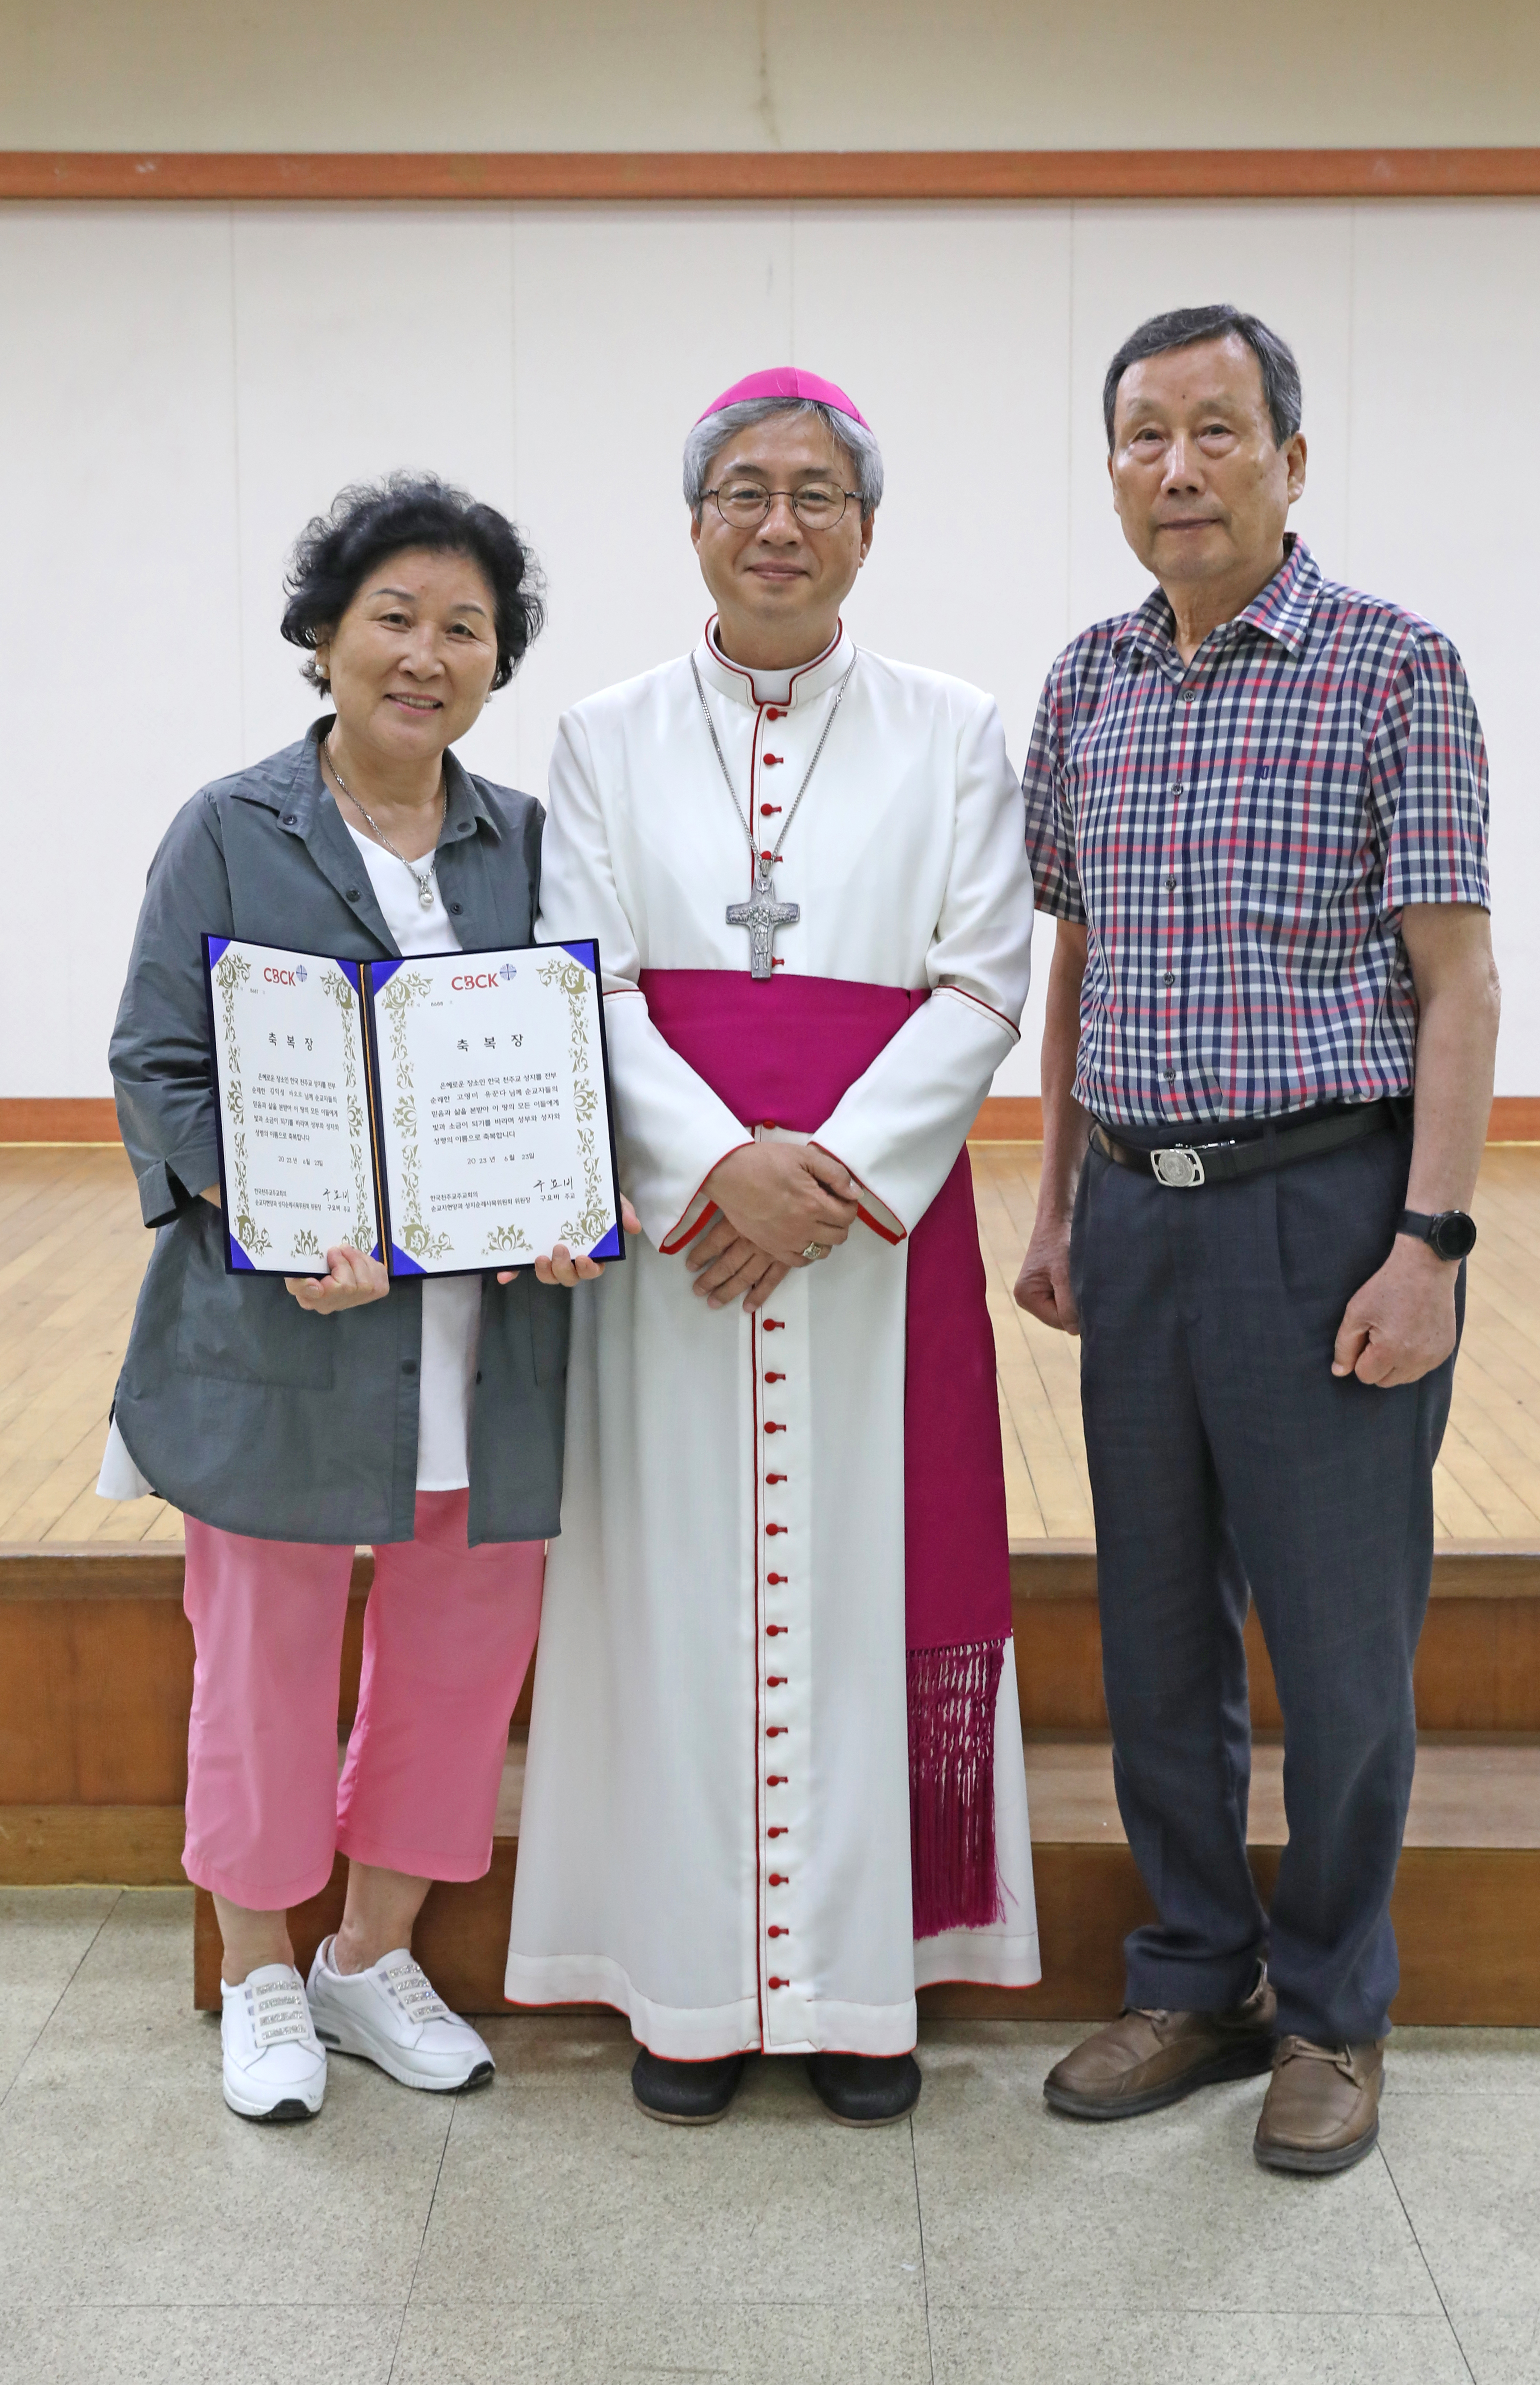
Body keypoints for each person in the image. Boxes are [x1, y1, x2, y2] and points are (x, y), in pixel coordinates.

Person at [505, 366, 1041, 2126]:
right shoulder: (602, 735)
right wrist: (718, 1168)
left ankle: (859, 1992)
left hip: (871, 1249)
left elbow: (983, 981)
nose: (780, 523)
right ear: (695, 525)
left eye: (818, 493)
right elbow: (586, 981)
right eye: (745, 490)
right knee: (673, 1597)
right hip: (685, 1252)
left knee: (871, 1589)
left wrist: (829, 1179)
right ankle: (690, 1987)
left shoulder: (955, 729)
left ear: (867, 530)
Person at [1016, 307, 1499, 2174]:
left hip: (1327, 1211)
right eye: (1144, 435)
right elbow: (1077, 961)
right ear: (1112, 471)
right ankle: (1196, 1973)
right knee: (1157, 1638)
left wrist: (1428, 1241)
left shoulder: (1394, 668)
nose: (1179, 468)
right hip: (1138, 1212)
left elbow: (1456, 985)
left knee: (1342, 1649)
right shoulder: (1086, 681)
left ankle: (1333, 2009)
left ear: (1291, 461)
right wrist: (1055, 1201)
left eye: (1217, 431)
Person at [103, 472, 629, 2124]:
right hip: (289, 1328)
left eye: (465, 628)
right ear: (325, 637)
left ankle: (370, 1954)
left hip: (491, 1333)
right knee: (260, 1657)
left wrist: (576, 1206)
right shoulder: (229, 829)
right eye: (393, 617)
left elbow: (587, 1055)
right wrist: (276, 1224)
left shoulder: (531, 842)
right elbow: (158, 1068)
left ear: (497, 663)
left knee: (460, 1662)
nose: (426, 654)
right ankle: (262, 1968)